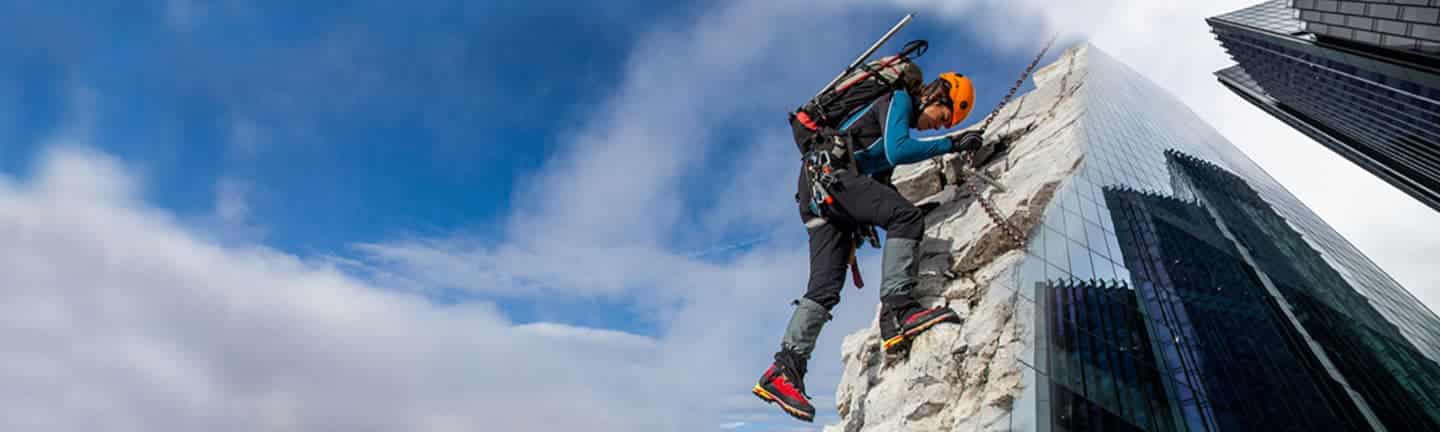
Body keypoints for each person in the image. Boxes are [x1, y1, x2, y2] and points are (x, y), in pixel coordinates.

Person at [752, 72, 986, 422]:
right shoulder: (900, 100)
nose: (935, 128)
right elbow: (898, 149)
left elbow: (881, 185)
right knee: (905, 219)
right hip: (831, 179)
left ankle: (784, 369)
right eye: (942, 119)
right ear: (936, 98)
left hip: (817, 192)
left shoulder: (895, 119)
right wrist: (952, 143)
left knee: (825, 288)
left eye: (943, 127)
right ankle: (900, 311)